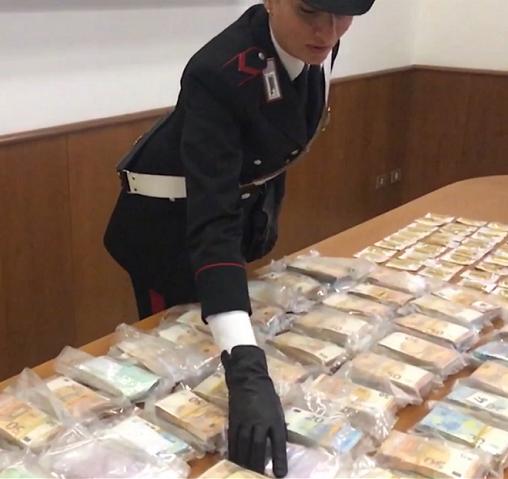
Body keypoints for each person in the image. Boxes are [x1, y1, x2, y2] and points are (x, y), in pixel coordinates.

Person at [104, 0, 375, 475]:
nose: (328, 32)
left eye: (342, 16)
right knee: (176, 368)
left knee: (222, 336)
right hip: (169, 230)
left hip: (235, 209)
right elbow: (212, 222)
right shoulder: (216, 72)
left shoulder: (316, 43)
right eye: (310, 12)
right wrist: (247, 369)